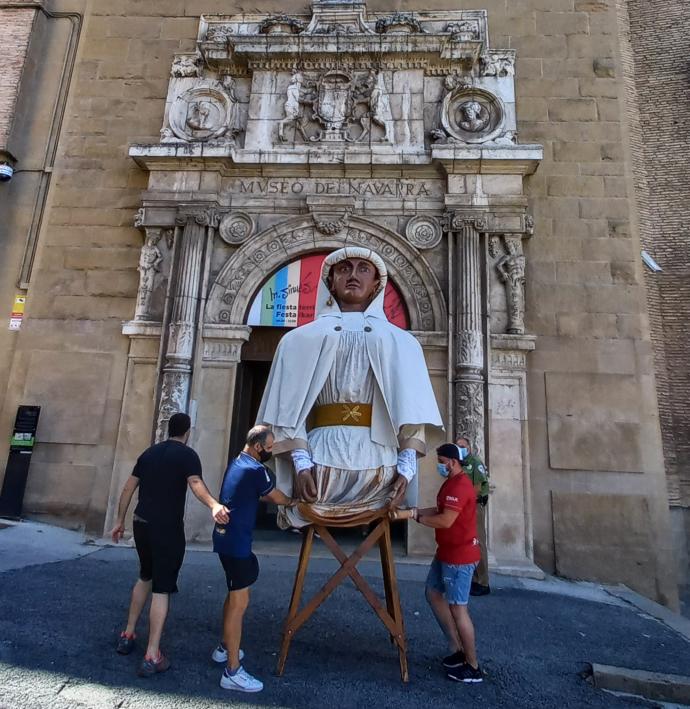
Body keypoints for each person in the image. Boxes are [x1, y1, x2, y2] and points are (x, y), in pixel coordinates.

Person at [256, 246, 443, 529]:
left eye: (363, 269)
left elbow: (412, 419)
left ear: (377, 283)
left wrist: (405, 472)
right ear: (330, 281)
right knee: (310, 501)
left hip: (380, 470)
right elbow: (286, 412)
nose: (353, 275)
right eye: (344, 269)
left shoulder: (403, 343)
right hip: (319, 466)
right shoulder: (297, 341)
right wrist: (302, 466)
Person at [110, 412, 229, 677]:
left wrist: (119, 521)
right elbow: (196, 484)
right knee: (161, 589)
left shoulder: (148, 453)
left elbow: (128, 488)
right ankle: (152, 653)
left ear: (167, 429)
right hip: (167, 528)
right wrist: (214, 505)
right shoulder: (187, 456)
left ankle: (127, 634)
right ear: (187, 431)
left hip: (140, 522)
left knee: (145, 576)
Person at [211, 425, 296, 693]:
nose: (271, 451)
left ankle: (224, 647)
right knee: (240, 603)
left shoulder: (237, 462)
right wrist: (295, 502)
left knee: (234, 593)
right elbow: (275, 496)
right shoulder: (255, 470)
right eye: (270, 447)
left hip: (225, 538)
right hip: (236, 542)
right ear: (259, 446)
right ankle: (232, 671)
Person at [391, 443, 482, 683]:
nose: (439, 465)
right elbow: (441, 508)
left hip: (460, 557)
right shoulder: (451, 483)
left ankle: (472, 666)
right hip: (446, 553)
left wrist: (417, 517)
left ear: (451, 462)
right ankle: (457, 650)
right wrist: (412, 512)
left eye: (441, 461)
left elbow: (445, 520)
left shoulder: (460, 486)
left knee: (458, 609)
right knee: (433, 593)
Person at [456, 435, 491, 596]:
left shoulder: (475, 463)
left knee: (478, 542)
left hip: (474, 505)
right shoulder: (461, 464)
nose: (460, 448)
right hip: (465, 506)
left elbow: (477, 488)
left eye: (462, 446)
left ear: (469, 447)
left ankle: (483, 582)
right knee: (467, 541)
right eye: (458, 446)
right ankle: (473, 578)